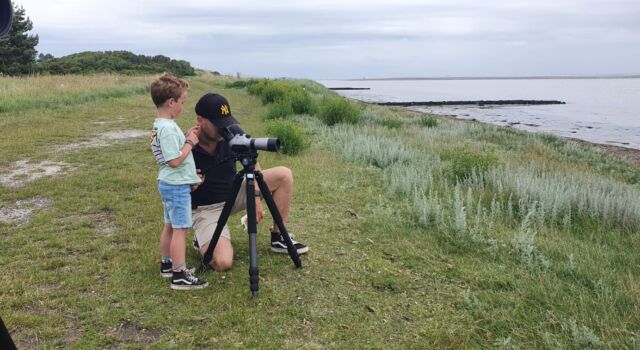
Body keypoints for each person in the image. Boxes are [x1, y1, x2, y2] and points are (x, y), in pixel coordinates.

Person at [190, 93, 309, 272]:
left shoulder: (232, 131)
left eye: (226, 122)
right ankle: (203, 238)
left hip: (235, 192)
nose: (224, 129)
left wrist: (256, 198)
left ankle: (278, 237)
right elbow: (170, 187)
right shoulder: (186, 145)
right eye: (218, 124)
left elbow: (254, 165)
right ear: (200, 120)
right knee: (222, 262)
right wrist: (188, 183)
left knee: (284, 175)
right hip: (207, 208)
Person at [149, 73, 208, 290]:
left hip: (168, 183)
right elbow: (174, 160)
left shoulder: (162, 125)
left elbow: (171, 149)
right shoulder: (167, 128)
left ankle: (167, 263)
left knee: (170, 225)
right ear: (171, 103)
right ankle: (179, 273)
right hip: (176, 185)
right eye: (182, 101)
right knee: (181, 228)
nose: (184, 106)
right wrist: (190, 142)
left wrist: (184, 136)